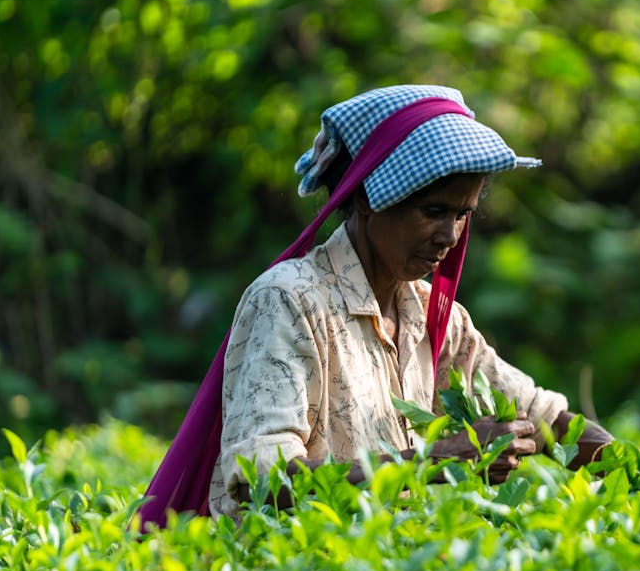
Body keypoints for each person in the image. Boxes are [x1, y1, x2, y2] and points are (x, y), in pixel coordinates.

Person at [200, 85, 613, 517]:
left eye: (462, 215)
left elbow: (539, 416)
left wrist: (638, 473)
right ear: (366, 198)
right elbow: (261, 479)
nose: (449, 236)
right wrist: (431, 461)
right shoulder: (289, 301)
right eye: (433, 212)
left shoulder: (431, 315)